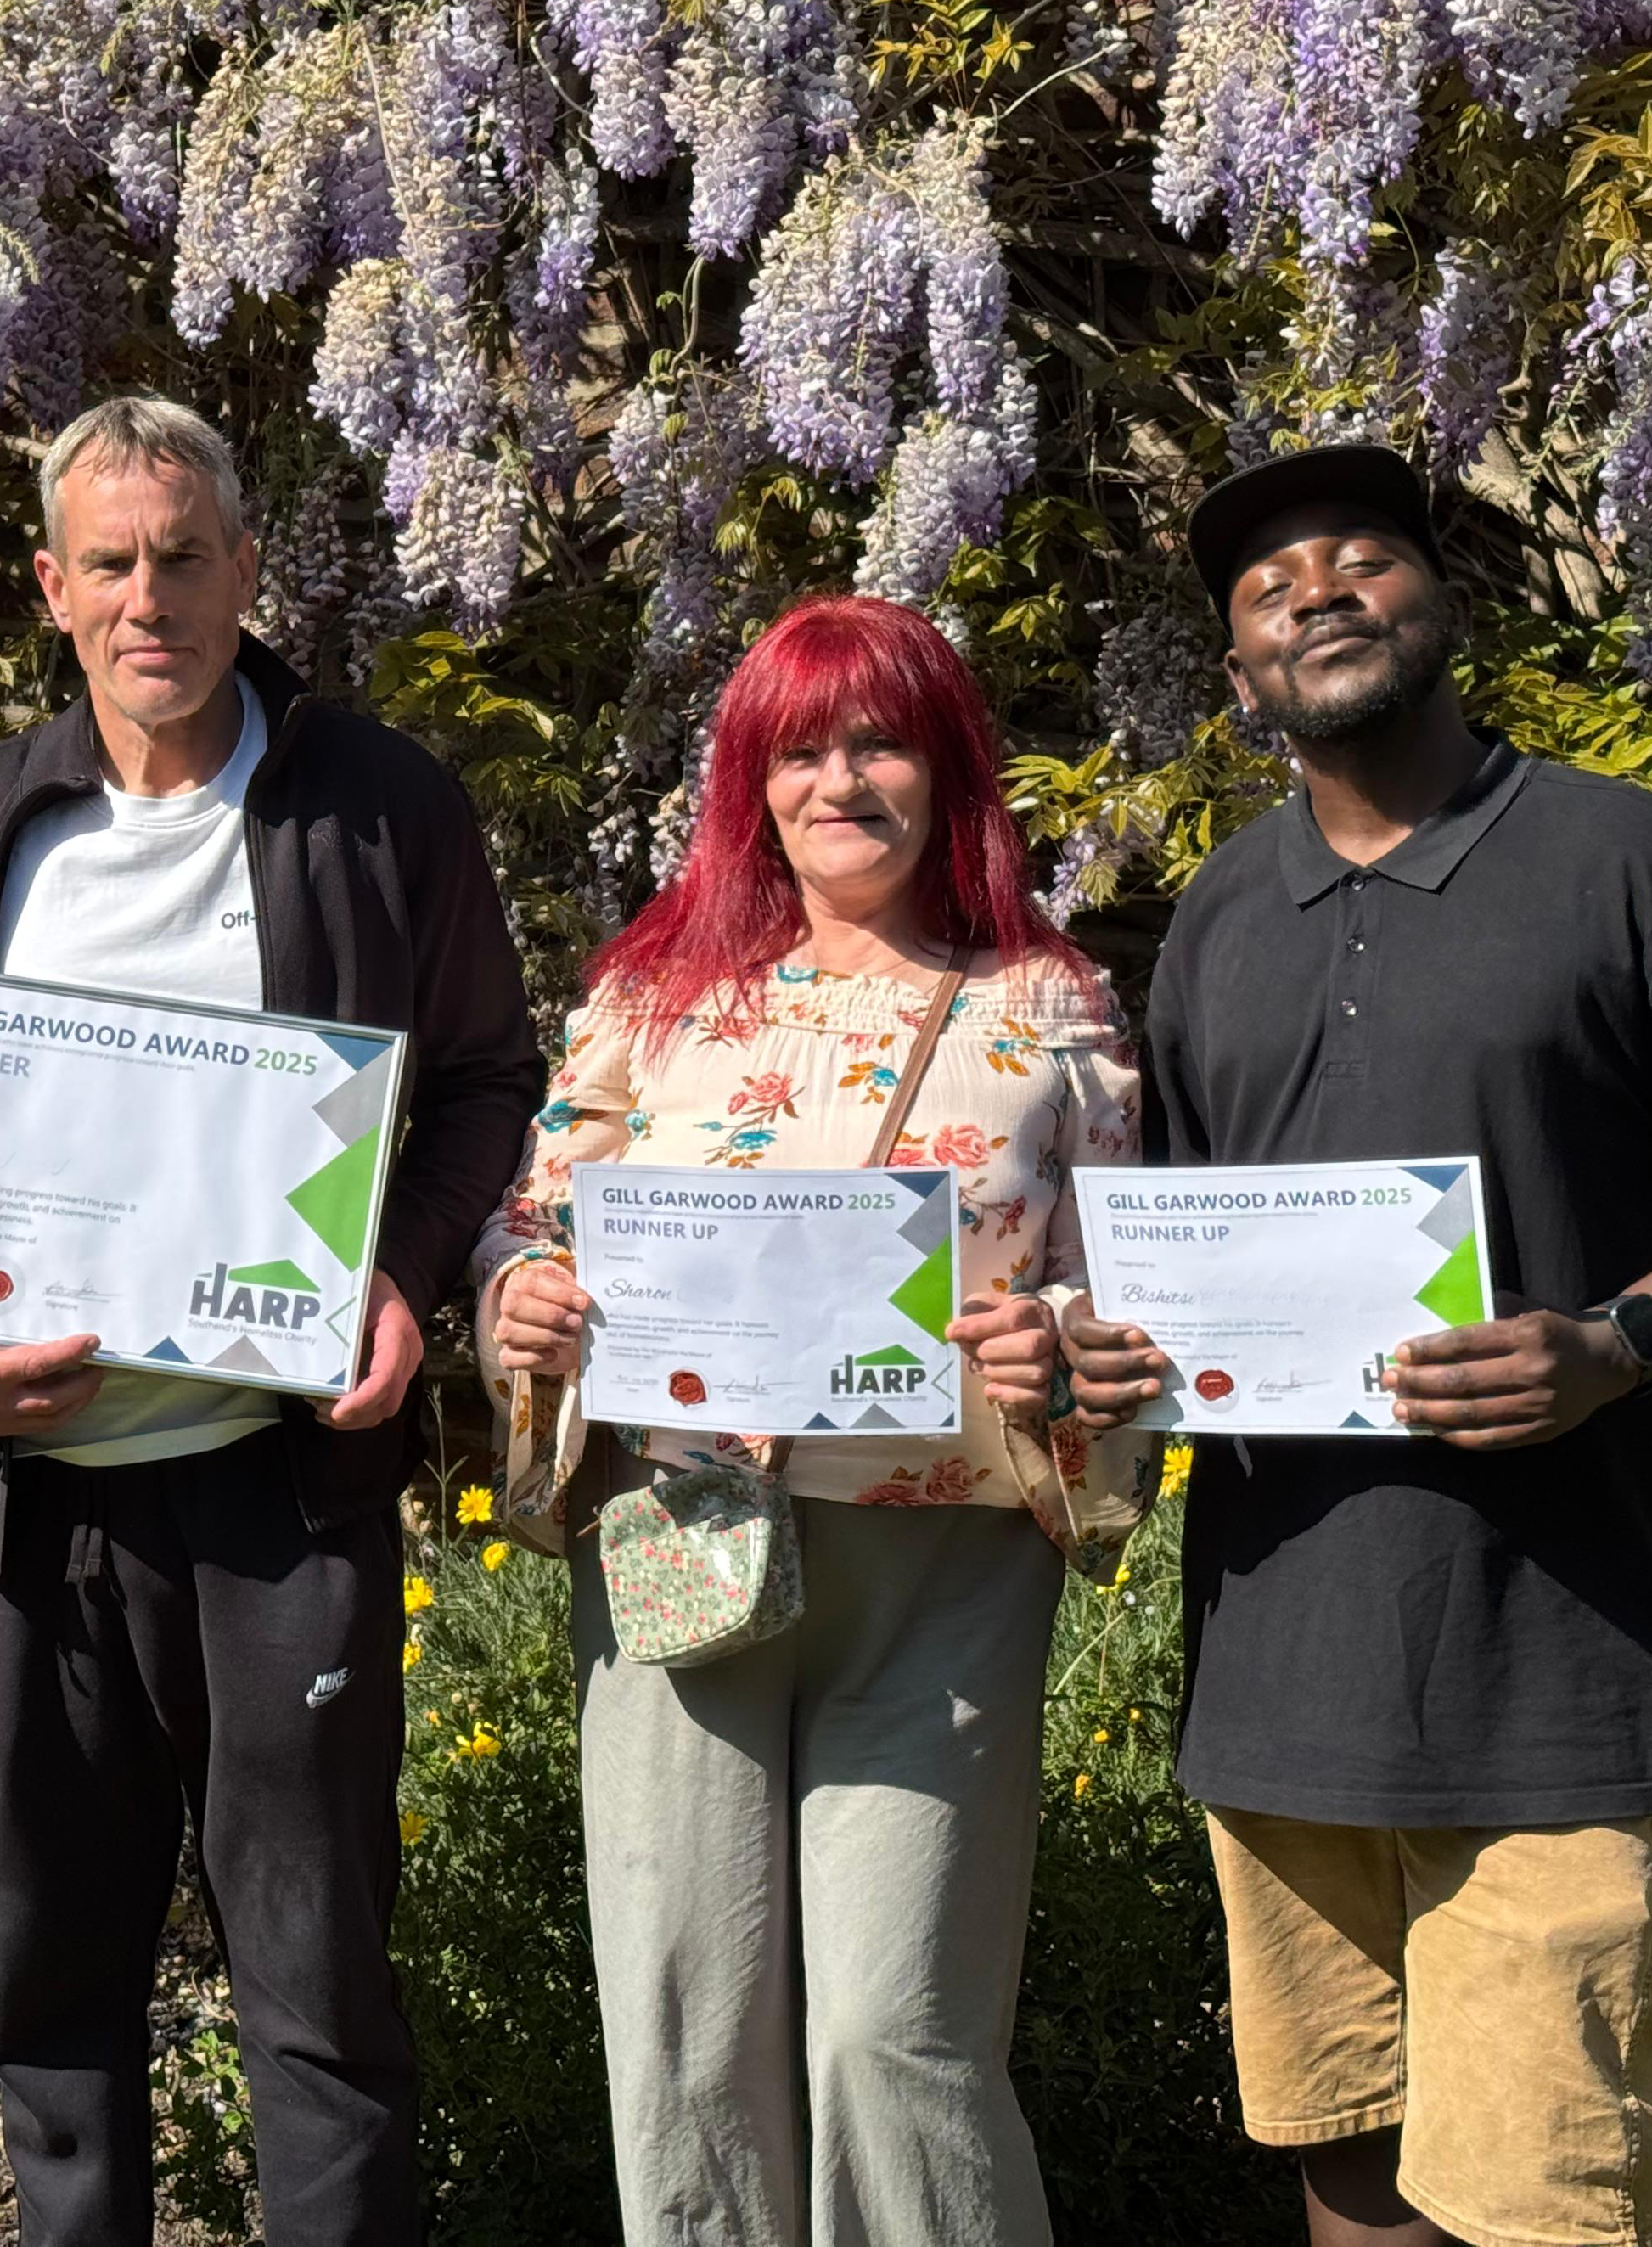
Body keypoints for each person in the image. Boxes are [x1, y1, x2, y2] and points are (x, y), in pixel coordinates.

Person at [1061, 443, 1652, 2247]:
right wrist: (1123, 1359)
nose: (1320, 592)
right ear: (1236, 678)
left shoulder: (1637, 860)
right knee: (1347, 2167)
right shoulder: (1215, 914)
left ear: (1447, 604)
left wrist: (1616, 1339)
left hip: (1561, 1665)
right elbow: (1184, 1267)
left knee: (1545, 2192)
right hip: (1282, 1661)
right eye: (1271, 589)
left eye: (1364, 557)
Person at [0, 394, 543, 2247]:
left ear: (248, 570)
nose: (151, 599)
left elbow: (483, 1079)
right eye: (112, 565)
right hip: (31, 1509)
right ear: (52, 590)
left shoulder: (377, 808)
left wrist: (405, 1277)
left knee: (317, 1987)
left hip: (273, 1493)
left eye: (184, 557)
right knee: (53, 1994)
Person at [468, 592, 1154, 2246]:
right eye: (801, 749)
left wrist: (1051, 1350)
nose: (840, 781)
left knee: (894, 2038)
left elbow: (1131, 1302)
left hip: (942, 1584)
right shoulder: (655, 993)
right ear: (751, 780)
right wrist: (519, 1302)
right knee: (688, 2039)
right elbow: (532, 1222)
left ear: (947, 768)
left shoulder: (1046, 1003)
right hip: (681, 1539)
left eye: (879, 742)